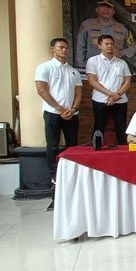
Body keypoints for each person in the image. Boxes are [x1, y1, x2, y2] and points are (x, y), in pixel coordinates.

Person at [34, 37, 83, 179]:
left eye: (66, 48)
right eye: (60, 47)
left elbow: (78, 93)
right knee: (53, 145)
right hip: (53, 113)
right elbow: (41, 90)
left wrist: (73, 109)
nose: (64, 50)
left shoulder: (73, 71)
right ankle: (54, 176)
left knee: (72, 144)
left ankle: (72, 174)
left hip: (72, 114)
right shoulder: (44, 67)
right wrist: (60, 109)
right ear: (53, 49)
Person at [86, 35, 132, 145]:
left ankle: (122, 151)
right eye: (107, 44)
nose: (110, 46)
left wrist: (117, 94)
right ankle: (96, 150)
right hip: (101, 100)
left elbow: (127, 82)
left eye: (111, 44)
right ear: (99, 46)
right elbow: (92, 81)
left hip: (120, 100)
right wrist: (111, 94)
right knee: (99, 127)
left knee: (121, 128)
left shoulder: (122, 63)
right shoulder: (93, 61)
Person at [74, 0, 136, 68]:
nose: (105, 9)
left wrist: (122, 53)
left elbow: (133, 47)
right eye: (102, 6)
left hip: (114, 67)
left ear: (113, 11)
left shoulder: (122, 28)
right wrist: (81, 66)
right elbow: (80, 46)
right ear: (97, 10)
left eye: (109, 7)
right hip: (93, 67)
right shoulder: (87, 25)